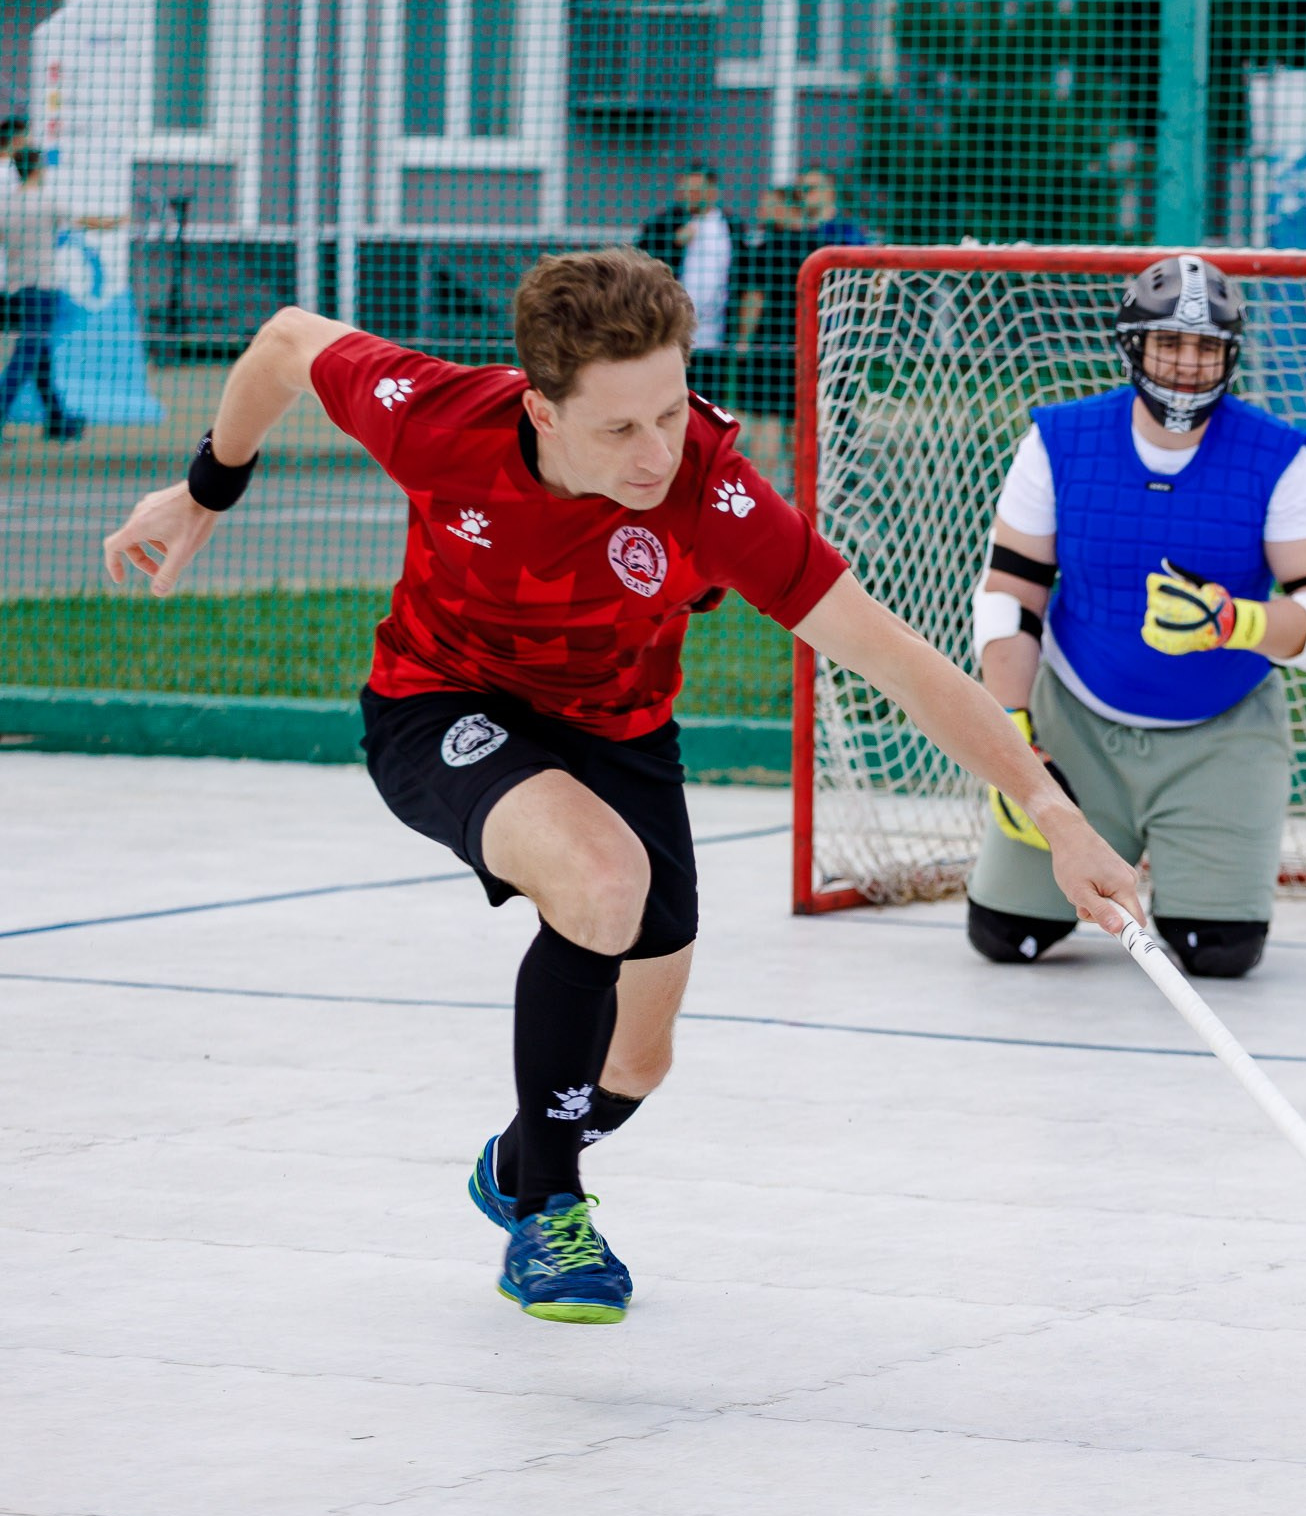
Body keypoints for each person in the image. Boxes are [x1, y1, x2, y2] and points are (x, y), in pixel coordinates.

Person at [99, 248, 1139, 1325]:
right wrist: (205, 489)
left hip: (618, 730)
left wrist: (1054, 815)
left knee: (638, 1060)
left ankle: (519, 1159)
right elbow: (282, 343)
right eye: (619, 429)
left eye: (669, 416)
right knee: (604, 882)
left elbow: (896, 659)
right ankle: (550, 1214)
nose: (655, 455)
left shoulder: (710, 493)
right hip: (440, 703)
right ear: (542, 412)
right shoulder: (437, 419)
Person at [966, 254, 1306, 979]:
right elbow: (1009, 597)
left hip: (1222, 729)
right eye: (1170, 342)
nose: (1187, 362)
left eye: (1207, 345)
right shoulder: (1058, 439)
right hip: (1075, 721)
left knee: (1219, 954)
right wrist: (1012, 735)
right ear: (1134, 344)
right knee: (1004, 935)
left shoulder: (1280, 456)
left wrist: (1232, 623)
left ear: (1231, 353)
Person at [0, 146, 122, 441]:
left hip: (17, 288)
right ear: (38, 169)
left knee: (39, 356)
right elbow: (84, 221)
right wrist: (116, 221)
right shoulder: (47, 200)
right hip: (43, 288)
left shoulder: (7, 205)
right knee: (28, 354)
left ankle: (58, 422)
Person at [725, 183, 805, 472]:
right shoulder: (815, 247)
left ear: (787, 207)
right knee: (797, 423)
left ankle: (765, 493)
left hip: (768, 344)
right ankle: (803, 495)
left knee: (767, 421)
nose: (761, 210)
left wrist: (744, 340)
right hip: (803, 344)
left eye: (768, 204)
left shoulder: (765, 249)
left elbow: (754, 298)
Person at [638, 166, 733, 362]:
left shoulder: (730, 225)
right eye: (687, 190)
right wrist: (674, 243)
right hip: (673, 323)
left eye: (697, 190)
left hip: (717, 326)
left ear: (713, 191)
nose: (691, 196)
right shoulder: (665, 223)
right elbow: (643, 261)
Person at [793, 168, 870, 248]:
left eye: (810, 188)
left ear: (831, 189)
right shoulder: (795, 231)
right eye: (799, 188)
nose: (803, 193)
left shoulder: (847, 230)